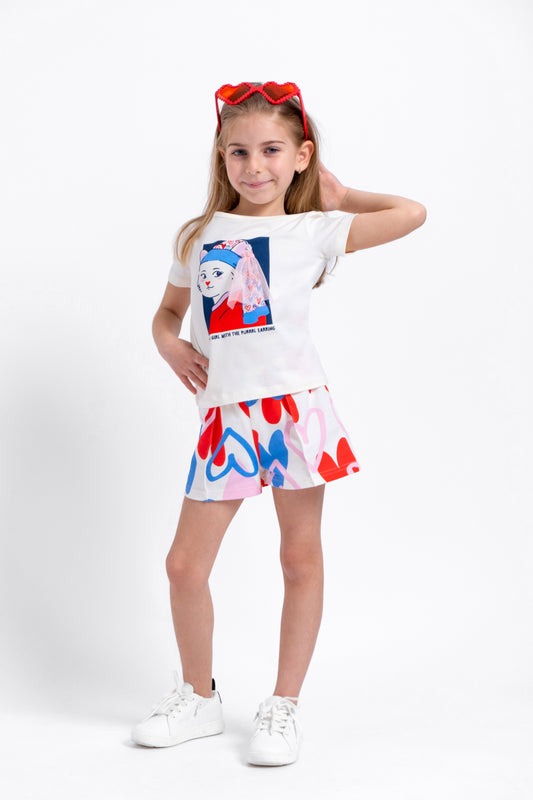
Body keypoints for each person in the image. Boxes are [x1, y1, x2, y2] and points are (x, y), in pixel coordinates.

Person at [131, 81, 426, 766]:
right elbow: (167, 314)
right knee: (184, 566)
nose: (254, 165)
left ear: (301, 156)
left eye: (271, 150)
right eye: (238, 151)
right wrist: (168, 342)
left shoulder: (315, 230)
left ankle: (283, 705)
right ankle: (198, 698)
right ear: (221, 157)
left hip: (295, 411)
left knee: (299, 558)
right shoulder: (200, 236)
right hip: (226, 418)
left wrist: (342, 195)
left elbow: (411, 213)